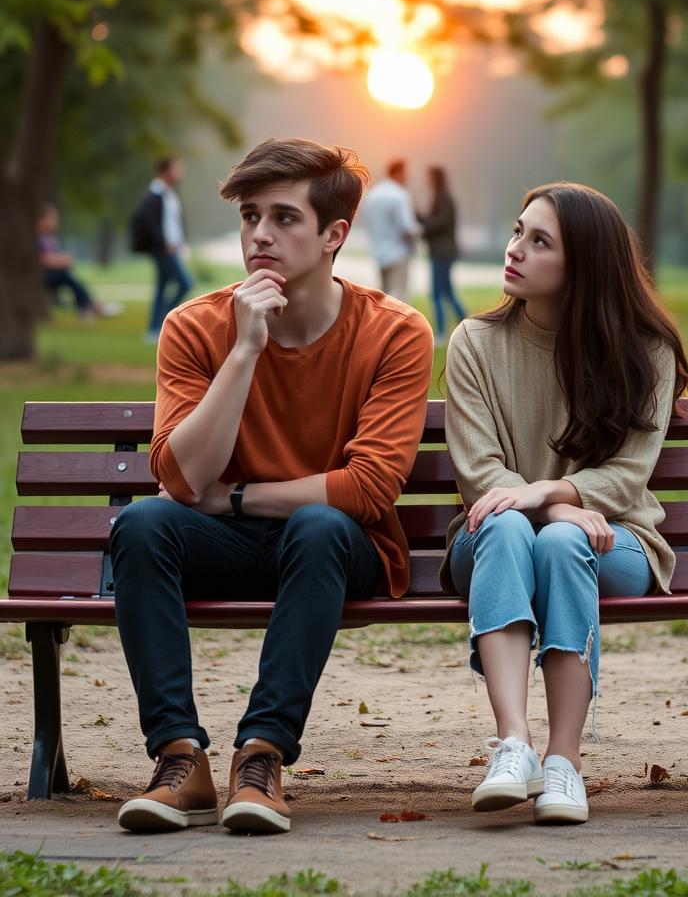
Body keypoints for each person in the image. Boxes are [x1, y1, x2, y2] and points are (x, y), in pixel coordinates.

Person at [111, 138, 434, 836]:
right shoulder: (197, 326)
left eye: (285, 218)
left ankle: (261, 758)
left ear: (333, 236)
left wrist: (233, 498)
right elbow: (179, 476)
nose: (260, 234)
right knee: (141, 524)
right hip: (227, 541)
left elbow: (369, 489)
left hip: (339, 548)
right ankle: (178, 760)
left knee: (318, 527)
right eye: (250, 216)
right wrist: (246, 348)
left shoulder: (395, 332)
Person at [441, 182, 688, 826]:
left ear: (583, 265)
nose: (515, 249)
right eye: (518, 230)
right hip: (494, 538)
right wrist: (551, 510)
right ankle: (516, 745)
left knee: (561, 541)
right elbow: (479, 477)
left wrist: (553, 494)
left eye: (539, 241)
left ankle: (564, 763)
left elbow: (628, 479)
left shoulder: (646, 353)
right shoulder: (474, 342)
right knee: (516, 531)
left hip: (617, 542)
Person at [130, 155, 193, 343]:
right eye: (176, 168)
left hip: (173, 249)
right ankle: (165, 321)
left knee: (161, 288)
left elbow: (174, 224)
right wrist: (163, 243)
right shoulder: (154, 194)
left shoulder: (169, 194)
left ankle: (154, 329)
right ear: (166, 171)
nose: (179, 172)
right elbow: (148, 222)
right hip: (164, 250)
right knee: (185, 283)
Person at [37, 204, 120, 320]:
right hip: (45, 275)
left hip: (56, 273)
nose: (56, 221)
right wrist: (62, 260)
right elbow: (42, 259)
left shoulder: (49, 237)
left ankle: (89, 306)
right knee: (70, 279)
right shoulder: (37, 238)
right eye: (52, 218)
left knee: (73, 280)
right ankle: (89, 306)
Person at [417, 165, 467, 345]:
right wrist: (418, 216)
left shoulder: (444, 198)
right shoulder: (440, 198)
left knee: (438, 293)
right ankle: (466, 324)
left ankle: (441, 333)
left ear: (435, 178)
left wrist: (420, 220)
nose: (426, 180)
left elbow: (440, 223)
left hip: (442, 253)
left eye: (429, 177)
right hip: (441, 252)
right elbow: (433, 222)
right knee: (446, 292)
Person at [361, 158, 419, 301]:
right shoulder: (400, 194)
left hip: (379, 252)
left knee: (382, 298)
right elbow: (407, 228)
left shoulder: (373, 194)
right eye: (406, 172)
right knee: (399, 299)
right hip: (398, 253)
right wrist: (419, 233)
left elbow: (367, 221)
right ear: (399, 173)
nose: (408, 177)